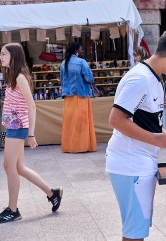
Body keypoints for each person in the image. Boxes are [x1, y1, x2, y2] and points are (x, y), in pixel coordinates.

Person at [106, 30, 166, 241]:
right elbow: (116, 120)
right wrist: (156, 139)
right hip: (129, 163)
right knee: (134, 233)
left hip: (139, 162)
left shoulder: (153, 78)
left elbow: (147, 123)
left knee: (138, 229)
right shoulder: (140, 79)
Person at [0, 43, 63, 223]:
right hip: (13, 126)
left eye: (3, 54)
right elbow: (13, 102)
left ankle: (13, 210)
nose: (0, 57)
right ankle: (52, 193)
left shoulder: (20, 77)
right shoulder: (13, 76)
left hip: (18, 128)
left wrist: (31, 134)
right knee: (18, 168)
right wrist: (5, 120)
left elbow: (31, 105)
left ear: (14, 55)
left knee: (9, 167)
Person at [60, 42, 97, 153]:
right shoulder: (81, 62)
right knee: (82, 122)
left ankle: (68, 146)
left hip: (68, 97)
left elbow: (62, 80)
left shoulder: (63, 63)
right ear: (76, 50)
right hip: (81, 95)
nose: (82, 51)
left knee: (69, 122)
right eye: (81, 49)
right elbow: (89, 78)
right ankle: (81, 146)